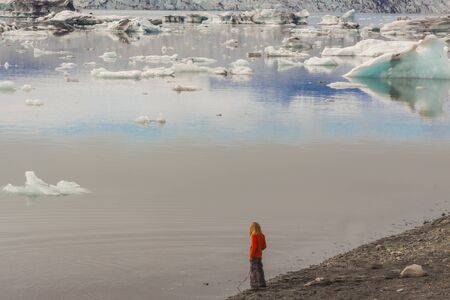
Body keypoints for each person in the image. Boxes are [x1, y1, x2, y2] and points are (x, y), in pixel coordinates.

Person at [249, 221, 267, 289]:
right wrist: (260, 250)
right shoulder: (262, 235)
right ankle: (262, 284)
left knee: (253, 270)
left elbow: (254, 247)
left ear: (252, 228)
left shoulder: (254, 235)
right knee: (260, 269)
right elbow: (264, 246)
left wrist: (251, 255)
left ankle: (254, 285)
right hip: (259, 255)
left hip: (254, 256)